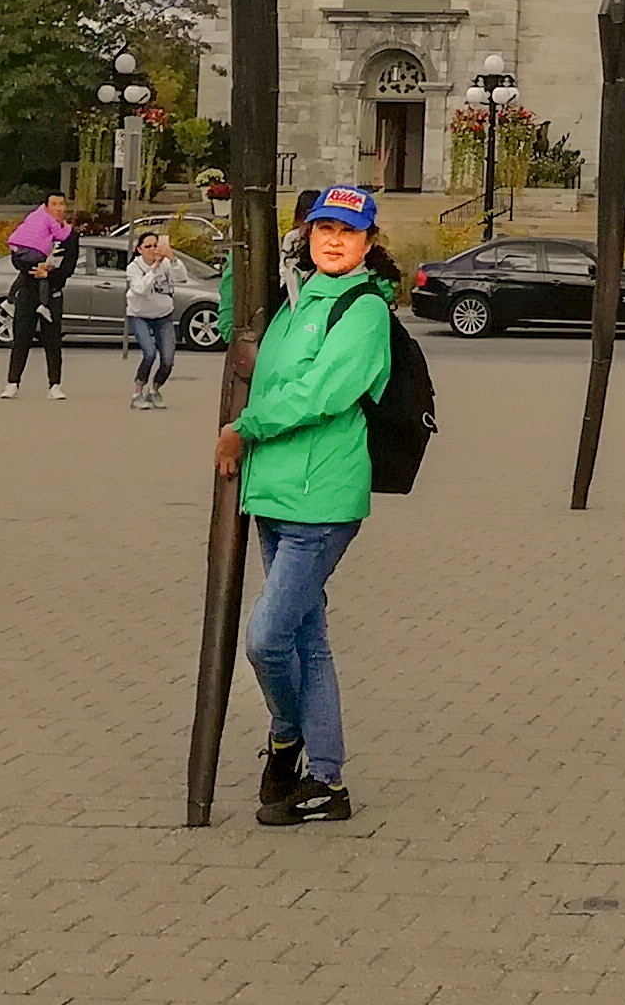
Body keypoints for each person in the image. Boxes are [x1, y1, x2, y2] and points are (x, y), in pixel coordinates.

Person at [216, 183, 400, 828]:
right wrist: (245, 253)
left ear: (369, 243)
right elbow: (232, 322)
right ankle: (326, 780)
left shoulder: (363, 309)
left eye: (348, 233)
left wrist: (247, 429)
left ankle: (288, 738)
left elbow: (322, 392)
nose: (332, 240)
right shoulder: (296, 298)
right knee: (307, 638)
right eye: (323, 228)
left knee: (268, 639)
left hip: (321, 499)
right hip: (273, 492)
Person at [1, 191, 79, 399]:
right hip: (28, 289)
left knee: (52, 339)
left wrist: (50, 274)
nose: (59, 208)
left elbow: (69, 266)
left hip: (53, 292)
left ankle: (55, 385)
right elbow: (17, 258)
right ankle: (12, 382)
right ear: (46, 207)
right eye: (54, 204)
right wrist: (35, 268)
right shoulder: (33, 227)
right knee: (21, 338)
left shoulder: (69, 235)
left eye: (62, 204)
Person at [127, 228, 182, 410]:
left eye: (155, 245)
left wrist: (172, 258)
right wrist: (154, 268)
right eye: (147, 246)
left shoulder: (166, 263)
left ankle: (155, 389)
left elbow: (182, 277)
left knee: (168, 359)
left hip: (163, 315)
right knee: (149, 353)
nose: (152, 249)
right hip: (140, 315)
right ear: (140, 249)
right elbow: (140, 289)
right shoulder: (134, 268)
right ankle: (137, 393)